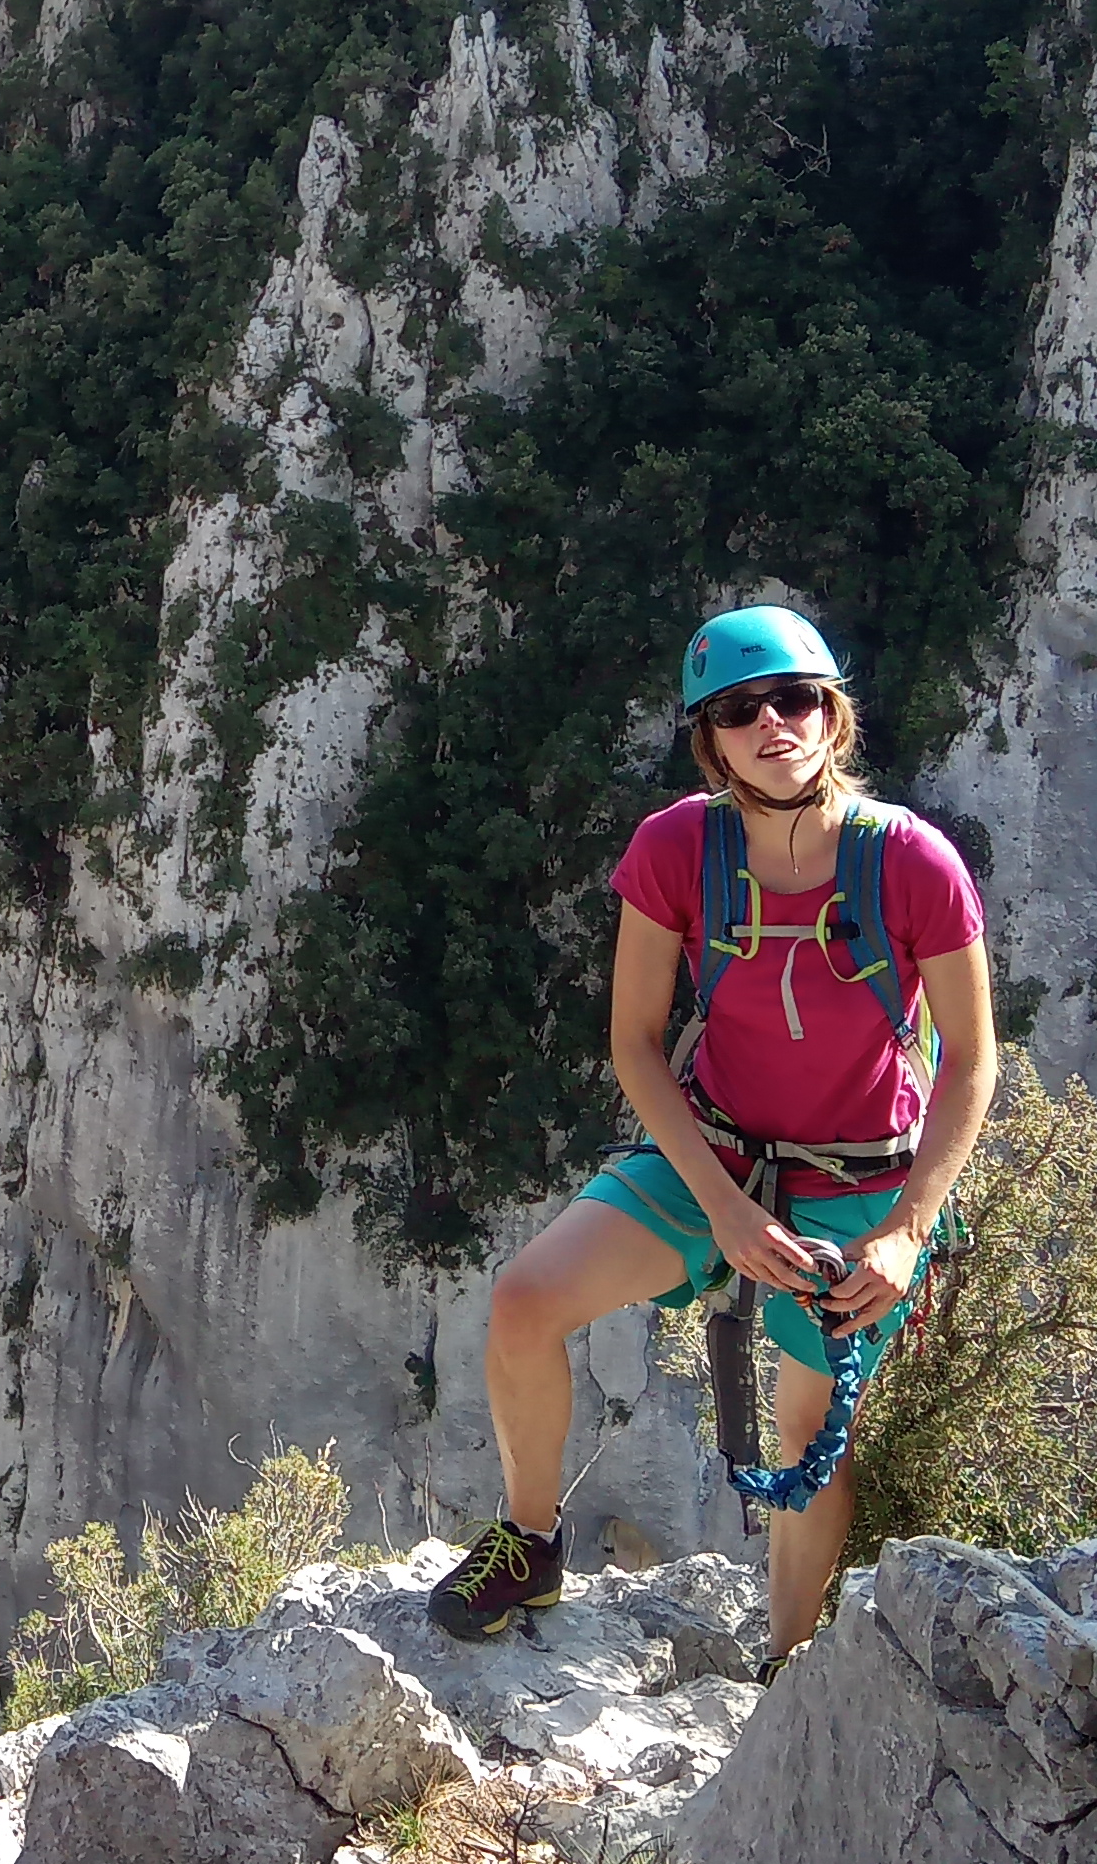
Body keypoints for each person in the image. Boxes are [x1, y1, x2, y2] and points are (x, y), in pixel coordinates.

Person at [425, 605, 1001, 1668]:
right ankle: (529, 1539)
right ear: (711, 739)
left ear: (832, 716)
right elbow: (636, 1045)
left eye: (794, 701)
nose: (771, 724)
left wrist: (907, 1231)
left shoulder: (911, 864)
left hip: (857, 1183)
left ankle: (782, 1668)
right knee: (522, 1303)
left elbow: (971, 1060)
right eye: (740, 710)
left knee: (807, 1441)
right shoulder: (678, 848)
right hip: (715, 1152)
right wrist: (728, 1211)